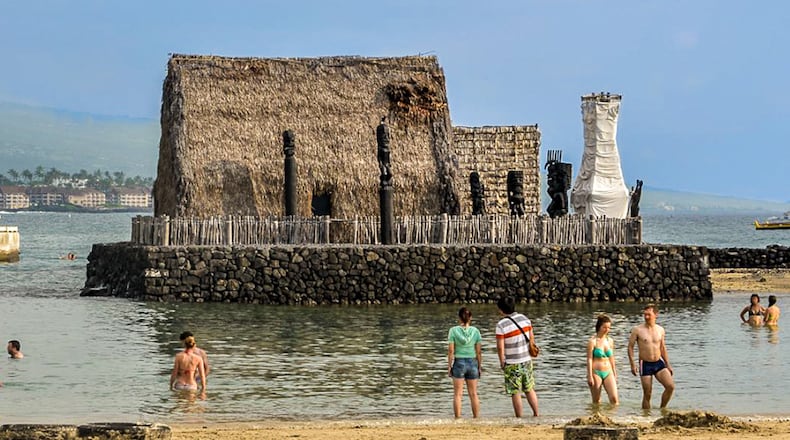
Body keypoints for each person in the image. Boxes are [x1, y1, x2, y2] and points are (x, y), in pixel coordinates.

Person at [495, 296, 539, 417]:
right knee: (529, 389)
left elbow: (500, 347)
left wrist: (501, 361)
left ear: (501, 310)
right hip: (526, 360)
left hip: (512, 362)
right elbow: (532, 338)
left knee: (515, 392)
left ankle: (519, 417)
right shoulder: (525, 319)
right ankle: (536, 414)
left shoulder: (501, 325)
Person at [628, 304, 675, 409]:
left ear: (656, 314)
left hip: (658, 362)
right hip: (645, 363)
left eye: (649, 315)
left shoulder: (660, 330)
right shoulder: (637, 330)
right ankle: (646, 416)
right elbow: (630, 347)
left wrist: (668, 364)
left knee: (670, 386)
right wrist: (632, 364)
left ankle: (662, 409)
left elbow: (662, 347)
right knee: (647, 393)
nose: (646, 317)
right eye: (645, 315)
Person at [447, 306, 482, 418]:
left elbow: (451, 350)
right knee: (473, 394)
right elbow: (479, 352)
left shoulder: (453, 331)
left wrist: (449, 366)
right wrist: (479, 366)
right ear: (470, 317)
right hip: (472, 363)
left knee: (458, 394)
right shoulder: (476, 331)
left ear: (459, 318)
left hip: (459, 362)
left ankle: (457, 418)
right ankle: (476, 418)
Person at [586, 315, 619, 405]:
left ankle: (613, 417)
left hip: (609, 372)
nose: (607, 330)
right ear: (599, 327)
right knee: (596, 400)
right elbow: (589, 359)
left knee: (614, 399)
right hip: (596, 372)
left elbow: (612, 358)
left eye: (609, 327)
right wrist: (589, 376)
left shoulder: (610, 341)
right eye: (604, 327)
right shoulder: (592, 341)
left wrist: (615, 373)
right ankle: (596, 417)